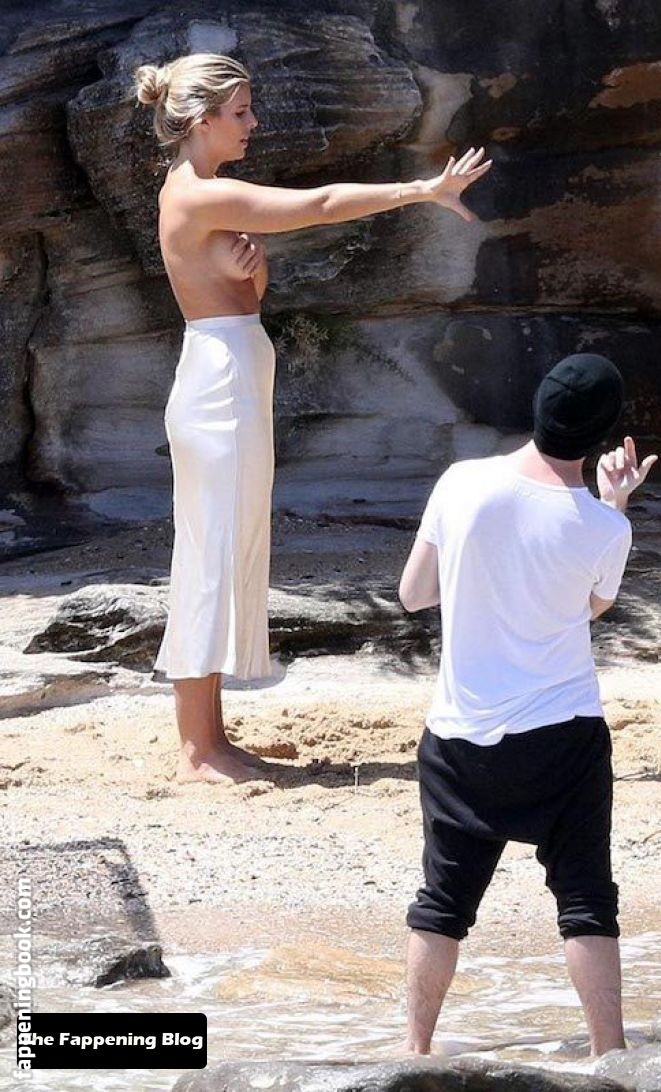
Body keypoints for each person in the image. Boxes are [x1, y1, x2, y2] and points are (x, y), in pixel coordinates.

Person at [134, 52, 492, 784]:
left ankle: (212, 738)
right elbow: (322, 204)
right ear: (200, 120)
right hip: (218, 387)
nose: (253, 123)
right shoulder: (202, 194)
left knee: (228, 550)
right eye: (241, 112)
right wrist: (424, 189)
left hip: (231, 373)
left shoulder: (199, 194)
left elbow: (247, 296)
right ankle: (198, 750)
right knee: (210, 555)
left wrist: (252, 269)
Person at [398, 353, 658, 1056]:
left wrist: (481, 575)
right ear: (602, 439)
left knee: (442, 905)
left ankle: (413, 1057)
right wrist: (613, 506)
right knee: (586, 901)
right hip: (561, 740)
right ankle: (611, 1060)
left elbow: (414, 594)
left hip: (459, 738)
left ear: (537, 407)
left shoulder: (459, 483)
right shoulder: (604, 528)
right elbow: (591, 608)